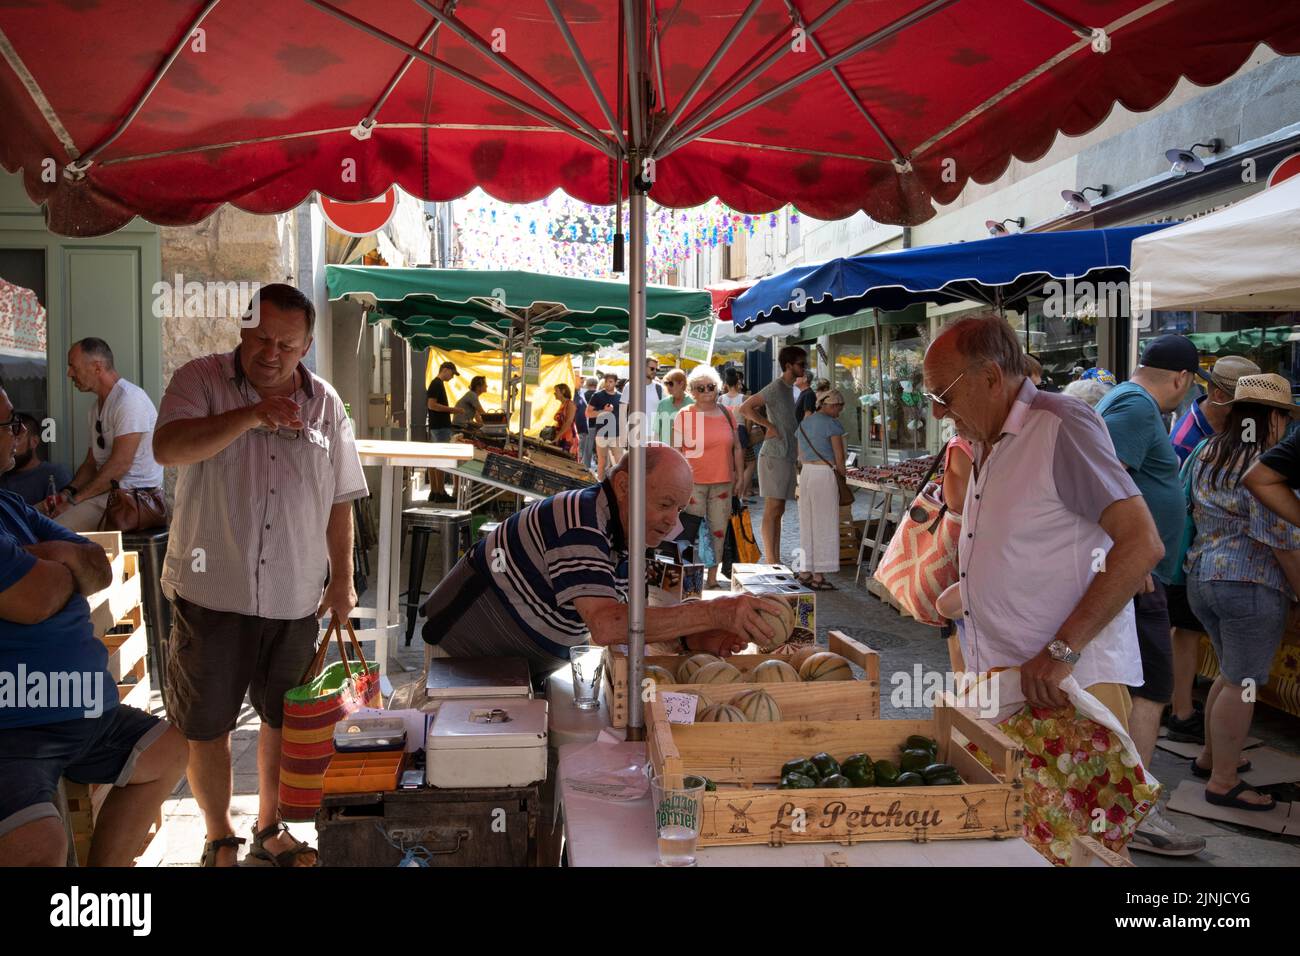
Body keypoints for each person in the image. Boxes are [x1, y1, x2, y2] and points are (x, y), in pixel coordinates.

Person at [152, 283, 368, 867]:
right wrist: (250, 415)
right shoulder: (199, 380)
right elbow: (169, 448)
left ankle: (270, 826)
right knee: (208, 721)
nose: (271, 353)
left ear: (307, 345)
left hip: (295, 593)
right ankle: (219, 833)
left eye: (286, 344)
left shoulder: (327, 404)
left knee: (282, 717)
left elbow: (341, 498)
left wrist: (342, 582)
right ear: (242, 331)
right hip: (212, 586)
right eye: (260, 339)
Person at [922, 314, 1162, 728]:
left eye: (944, 394)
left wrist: (1062, 651)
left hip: (1066, 686)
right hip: (1009, 682)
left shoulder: (1061, 425)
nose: (937, 410)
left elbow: (1141, 543)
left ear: (992, 377)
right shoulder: (986, 439)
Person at [0, 384, 188, 866]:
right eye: (9, 426)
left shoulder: (11, 507)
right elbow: (35, 599)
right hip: (17, 730)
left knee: (170, 750)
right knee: (41, 846)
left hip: (84, 714)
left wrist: (46, 558)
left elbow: (99, 565)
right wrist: (61, 569)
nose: (19, 435)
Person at [420, 444, 787, 678]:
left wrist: (689, 641)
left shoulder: (627, 532)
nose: (672, 522)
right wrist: (715, 612)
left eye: (678, 509)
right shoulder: (578, 519)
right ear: (625, 486)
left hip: (512, 672)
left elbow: (631, 624)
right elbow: (607, 626)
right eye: (663, 505)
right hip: (462, 663)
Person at [1094, 334, 1208, 857]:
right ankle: (1136, 812)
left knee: (1142, 685)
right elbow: (1099, 479)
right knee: (1153, 687)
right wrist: (1129, 552)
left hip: (1141, 570)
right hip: (1139, 574)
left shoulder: (1128, 401)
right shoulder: (1138, 408)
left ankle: (1125, 804)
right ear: (1183, 379)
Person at [1185, 374, 1300, 813]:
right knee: (1244, 683)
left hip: (1203, 577)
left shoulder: (1210, 449)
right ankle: (1224, 780)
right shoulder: (1265, 463)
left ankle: (1212, 757)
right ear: (1274, 417)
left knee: (1230, 676)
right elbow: (1280, 538)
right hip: (1248, 584)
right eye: (1286, 417)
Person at [1163, 354, 1259, 747]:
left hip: (1203, 556)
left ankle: (1189, 709)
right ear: (1217, 393)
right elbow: (1179, 499)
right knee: (1186, 631)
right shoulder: (1190, 437)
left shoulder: (1233, 428)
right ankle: (1180, 709)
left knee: (1205, 641)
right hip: (1196, 553)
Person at [44, 338, 164, 532]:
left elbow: (119, 466)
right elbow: (91, 464)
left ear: (97, 367)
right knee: (35, 515)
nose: (69, 373)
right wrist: (67, 493)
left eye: (73, 367)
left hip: (132, 499)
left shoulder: (129, 400)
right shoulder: (95, 409)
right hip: (109, 495)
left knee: (50, 530)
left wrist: (74, 501)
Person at [673, 366, 743, 588]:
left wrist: (740, 476)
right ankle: (686, 578)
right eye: (699, 388)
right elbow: (675, 451)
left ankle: (711, 578)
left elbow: (738, 448)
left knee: (718, 530)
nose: (706, 391)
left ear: (718, 387)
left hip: (723, 482)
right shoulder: (684, 415)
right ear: (692, 391)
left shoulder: (726, 413)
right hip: (692, 484)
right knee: (688, 531)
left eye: (710, 386)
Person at [740, 346, 807, 564]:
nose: (804, 368)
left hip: (785, 454)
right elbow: (745, 407)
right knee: (773, 508)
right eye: (801, 364)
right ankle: (771, 560)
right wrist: (768, 425)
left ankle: (775, 559)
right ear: (788, 365)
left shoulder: (789, 389)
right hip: (774, 455)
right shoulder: (776, 387)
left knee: (779, 509)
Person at [794, 387, 848, 590]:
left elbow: (800, 455)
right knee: (824, 522)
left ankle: (804, 571)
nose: (839, 412)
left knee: (807, 522)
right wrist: (843, 475)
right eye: (839, 408)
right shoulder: (833, 424)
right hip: (824, 473)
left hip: (806, 474)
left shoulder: (805, 423)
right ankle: (819, 576)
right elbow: (839, 457)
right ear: (831, 405)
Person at [1171, 355, 1259, 464]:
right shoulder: (1183, 443)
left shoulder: (1247, 421)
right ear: (1220, 396)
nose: (1253, 411)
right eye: (1245, 404)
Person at [0, 412, 71, 505]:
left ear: (34, 442)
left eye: (18, 439)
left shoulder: (54, 475)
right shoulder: (3, 474)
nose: (12, 444)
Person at [425, 360, 459, 503]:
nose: (452, 377)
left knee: (434, 460)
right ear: (445, 369)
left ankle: (434, 491)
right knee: (441, 460)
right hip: (440, 427)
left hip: (437, 426)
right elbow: (432, 405)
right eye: (452, 373)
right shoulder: (436, 383)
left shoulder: (437, 384)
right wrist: (453, 410)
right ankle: (440, 492)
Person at [720, 368, 756, 497]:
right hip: (740, 431)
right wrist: (748, 432)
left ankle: (731, 494)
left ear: (726, 384)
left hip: (725, 432)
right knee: (745, 464)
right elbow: (749, 419)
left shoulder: (720, 399)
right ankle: (739, 493)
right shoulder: (744, 398)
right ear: (737, 384)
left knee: (731, 465)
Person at [587, 372, 622, 481]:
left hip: (616, 434)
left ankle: (618, 485)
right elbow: (588, 413)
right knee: (602, 462)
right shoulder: (597, 395)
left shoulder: (621, 397)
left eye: (610, 382)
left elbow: (623, 416)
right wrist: (603, 411)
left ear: (615, 383)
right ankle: (600, 485)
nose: (607, 384)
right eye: (606, 381)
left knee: (619, 462)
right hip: (601, 434)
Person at [620, 357, 664, 432]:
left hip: (653, 435)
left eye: (657, 369)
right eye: (652, 369)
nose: (655, 371)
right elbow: (622, 412)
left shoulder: (659, 388)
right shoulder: (630, 386)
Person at [656, 368, 693, 444]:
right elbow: (657, 430)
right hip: (666, 451)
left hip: (686, 452)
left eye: (671, 384)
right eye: (666, 384)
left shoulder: (693, 403)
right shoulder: (663, 404)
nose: (668, 387)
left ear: (681, 384)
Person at [577, 376, 599, 471]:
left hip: (587, 424)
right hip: (598, 425)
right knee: (597, 448)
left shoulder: (584, 395)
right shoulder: (599, 395)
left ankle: (586, 467)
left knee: (587, 447)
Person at [552, 383, 578, 456]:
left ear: (563, 391)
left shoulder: (570, 404)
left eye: (556, 391)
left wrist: (557, 436)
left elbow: (568, 422)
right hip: (562, 435)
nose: (554, 393)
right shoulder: (563, 404)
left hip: (568, 437)